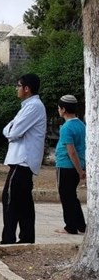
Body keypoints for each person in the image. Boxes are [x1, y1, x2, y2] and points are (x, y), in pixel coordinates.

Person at [1, 73, 47, 245]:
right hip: (22, 160)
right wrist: (12, 131)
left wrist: (12, 131)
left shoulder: (33, 106)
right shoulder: (28, 106)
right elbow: (9, 129)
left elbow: (13, 131)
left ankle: (8, 240)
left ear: (27, 88)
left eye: (19, 86)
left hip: (23, 160)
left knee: (10, 199)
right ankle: (26, 239)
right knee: (24, 202)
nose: (16, 89)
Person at [54, 95, 86, 235]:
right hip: (78, 165)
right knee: (72, 196)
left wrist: (79, 171)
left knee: (66, 197)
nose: (58, 110)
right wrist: (81, 169)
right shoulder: (81, 125)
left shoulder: (66, 128)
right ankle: (81, 225)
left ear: (63, 109)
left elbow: (71, 151)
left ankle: (70, 227)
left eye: (59, 108)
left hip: (66, 166)